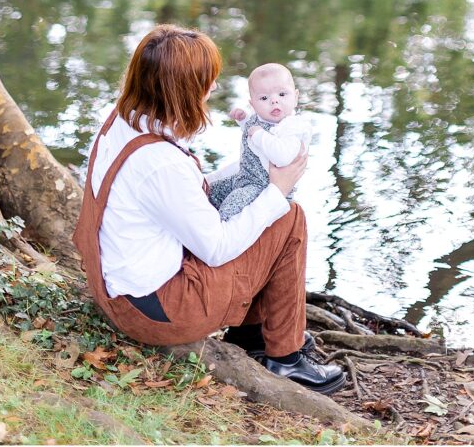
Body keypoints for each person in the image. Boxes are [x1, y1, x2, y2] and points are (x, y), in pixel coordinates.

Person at [73, 24, 345, 394]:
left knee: (264, 209)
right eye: (206, 81)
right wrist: (277, 189)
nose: (213, 88)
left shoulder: (124, 119)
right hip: (156, 313)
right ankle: (285, 358)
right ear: (180, 90)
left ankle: (253, 335)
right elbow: (215, 248)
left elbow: (183, 195)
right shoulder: (160, 162)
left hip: (118, 291)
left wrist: (256, 176)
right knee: (288, 216)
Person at [209, 63, 312, 220]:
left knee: (229, 209)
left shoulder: (293, 127)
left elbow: (282, 156)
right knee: (210, 192)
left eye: (282, 95)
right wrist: (244, 120)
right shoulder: (261, 120)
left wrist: (258, 135)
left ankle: (220, 234)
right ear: (253, 104)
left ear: (296, 97)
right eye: (264, 98)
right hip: (244, 178)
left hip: (264, 188)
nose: (274, 101)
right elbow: (254, 137)